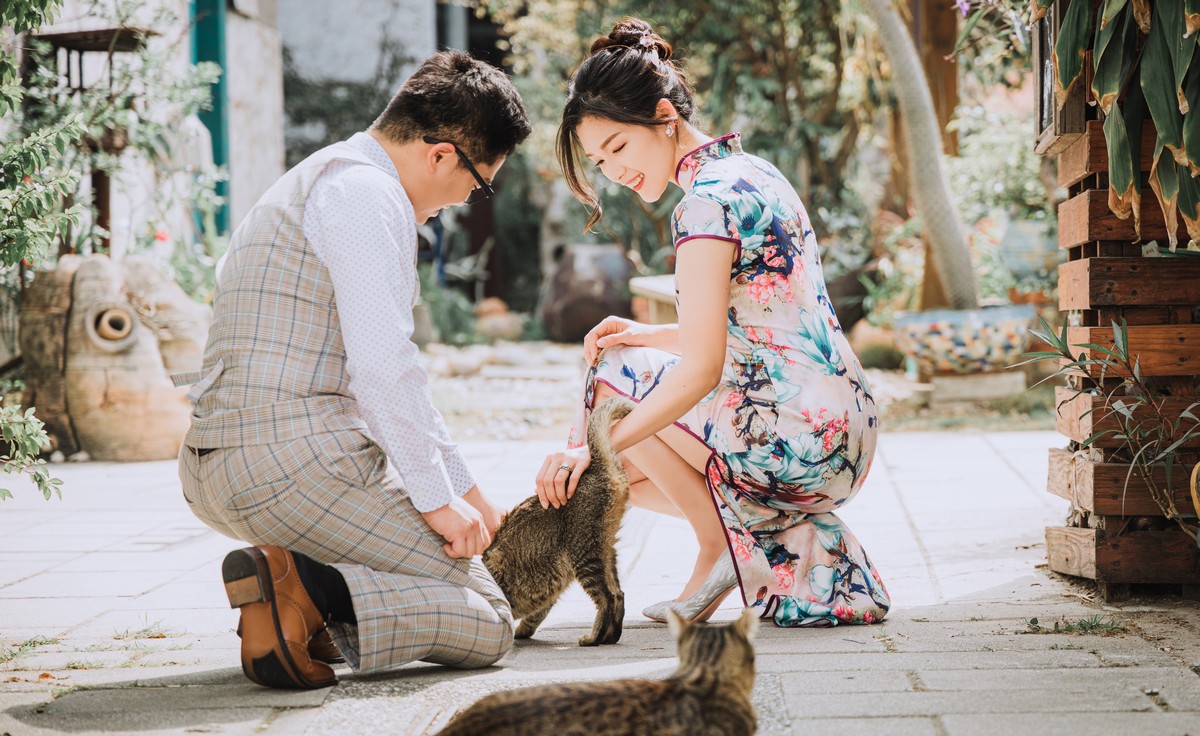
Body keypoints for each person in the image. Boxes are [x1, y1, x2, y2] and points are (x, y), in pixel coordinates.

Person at [174, 51, 532, 689]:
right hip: (287, 463)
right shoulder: (367, 196)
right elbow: (384, 370)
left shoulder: (323, 176)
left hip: (222, 458)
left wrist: (466, 493)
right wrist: (434, 500)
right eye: (480, 183)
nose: (463, 201)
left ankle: (297, 595)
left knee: (453, 563)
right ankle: (303, 588)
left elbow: (387, 377)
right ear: (441, 154)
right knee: (491, 620)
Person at [537, 18, 890, 628]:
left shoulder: (703, 204)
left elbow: (701, 369)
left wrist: (586, 447)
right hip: (846, 431)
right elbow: (769, 325)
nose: (612, 172)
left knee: (612, 378)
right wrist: (649, 333)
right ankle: (751, 541)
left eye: (618, 148)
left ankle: (718, 546)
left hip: (793, 441)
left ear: (665, 115)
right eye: (599, 161)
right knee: (634, 460)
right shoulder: (757, 174)